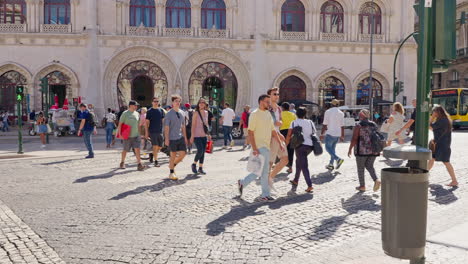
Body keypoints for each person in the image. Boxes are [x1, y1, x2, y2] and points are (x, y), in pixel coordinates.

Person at [238, 94, 283, 202]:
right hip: (259, 147)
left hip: (267, 146)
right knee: (260, 171)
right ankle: (248, 185)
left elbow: (273, 130)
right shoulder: (254, 114)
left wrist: (280, 142)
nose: (269, 104)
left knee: (264, 171)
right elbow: (250, 132)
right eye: (267, 102)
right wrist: (254, 148)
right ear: (261, 102)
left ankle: (263, 194)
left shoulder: (268, 114)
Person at [347, 109, 381, 192]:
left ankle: (362, 186)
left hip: (361, 150)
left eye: (360, 114)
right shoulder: (374, 124)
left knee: (360, 168)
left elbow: (354, 138)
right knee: (370, 166)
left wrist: (350, 149)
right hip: (374, 150)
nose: (359, 115)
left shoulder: (359, 125)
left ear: (362, 115)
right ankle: (376, 180)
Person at [285, 107, 315, 193]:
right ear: (305, 114)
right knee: (299, 162)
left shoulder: (294, 122)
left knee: (304, 165)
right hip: (309, 146)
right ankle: (295, 180)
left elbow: (289, 135)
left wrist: (285, 145)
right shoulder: (310, 122)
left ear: (296, 114)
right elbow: (313, 133)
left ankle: (309, 185)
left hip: (299, 146)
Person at [428, 105, 458, 187]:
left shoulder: (442, 120)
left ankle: (454, 180)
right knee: (432, 159)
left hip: (442, 145)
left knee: (446, 162)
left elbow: (429, 126)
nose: (433, 113)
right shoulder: (443, 119)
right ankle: (424, 175)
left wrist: (432, 117)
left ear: (438, 112)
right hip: (440, 144)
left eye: (434, 112)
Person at [267, 87, 288, 189]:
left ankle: (270, 177)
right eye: (274, 94)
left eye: (277, 94)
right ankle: (267, 184)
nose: (276, 96)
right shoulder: (267, 107)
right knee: (270, 162)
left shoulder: (279, 108)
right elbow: (266, 122)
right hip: (270, 136)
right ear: (269, 96)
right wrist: (275, 124)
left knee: (285, 159)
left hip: (278, 135)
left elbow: (280, 121)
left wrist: (280, 124)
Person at [164, 95, 189, 180]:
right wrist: (166, 139)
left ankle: (172, 165)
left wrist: (185, 137)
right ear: (172, 103)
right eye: (176, 101)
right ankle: (171, 173)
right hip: (171, 138)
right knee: (173, 155)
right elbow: (166, 127)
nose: (177, 103)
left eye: (179, 101)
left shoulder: (182, 112)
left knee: (183, 154)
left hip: (180, 137)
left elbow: (183, 126)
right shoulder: (168, 114)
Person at [118, 100, 144, 171]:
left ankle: (139, 164)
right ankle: (122, 162)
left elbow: (138, 125)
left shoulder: (137, 114)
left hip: (136, 135)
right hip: (127, 136)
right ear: (131, 106)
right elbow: (120, 124)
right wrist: (120, 134)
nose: (136, 107)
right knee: (125, 150)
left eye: (136, 106)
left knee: (137, 150)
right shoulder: (125, 113)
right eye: (135, 105)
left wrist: (140, 134)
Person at [320, 99, 345, 171]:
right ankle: (331, 164)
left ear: (331, 104)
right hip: (337, 134)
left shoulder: (328, 112)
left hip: (330, 133)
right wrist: (342, 135)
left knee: (328, 148)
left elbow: (324, 124)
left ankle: (338, 159)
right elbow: (342, 126)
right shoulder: (341, 113)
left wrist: (322, 134)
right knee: (333, 150)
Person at [190, 98, 211, 174]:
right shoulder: (196, 113)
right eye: (200, 103)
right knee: (200, 150)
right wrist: (192, 136)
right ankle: (194, 164)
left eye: (203, 103)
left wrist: (208, 134)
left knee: (203, 152)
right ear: (198, 104)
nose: (201, 104)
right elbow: (193, 125)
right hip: (196, 135)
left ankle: (200, 168)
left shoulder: (206, 112)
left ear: (205, 104)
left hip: (203, 135)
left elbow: (206, 124)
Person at [145, 97, 165, 167]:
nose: (156, 102)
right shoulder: (149, 111)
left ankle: (152, 154)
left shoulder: (161, 110)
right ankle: (156, 161)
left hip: (160, 131)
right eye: (155, 101)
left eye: (157, 101)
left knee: (160, 147)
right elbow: (147, 123)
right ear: (152, 102)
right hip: (152, 131)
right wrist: (146, 133)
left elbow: (163, 121)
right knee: (155, 146)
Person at [280, 102, 297, 173]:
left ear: (282, 108)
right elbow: (296, 123)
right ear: (289, 108)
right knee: (291, 150)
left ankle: (279, 164)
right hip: (292, 132)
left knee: (281, 148)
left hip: (282, 132)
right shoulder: (293, 114)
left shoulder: (280, 114)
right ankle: (290, 167)